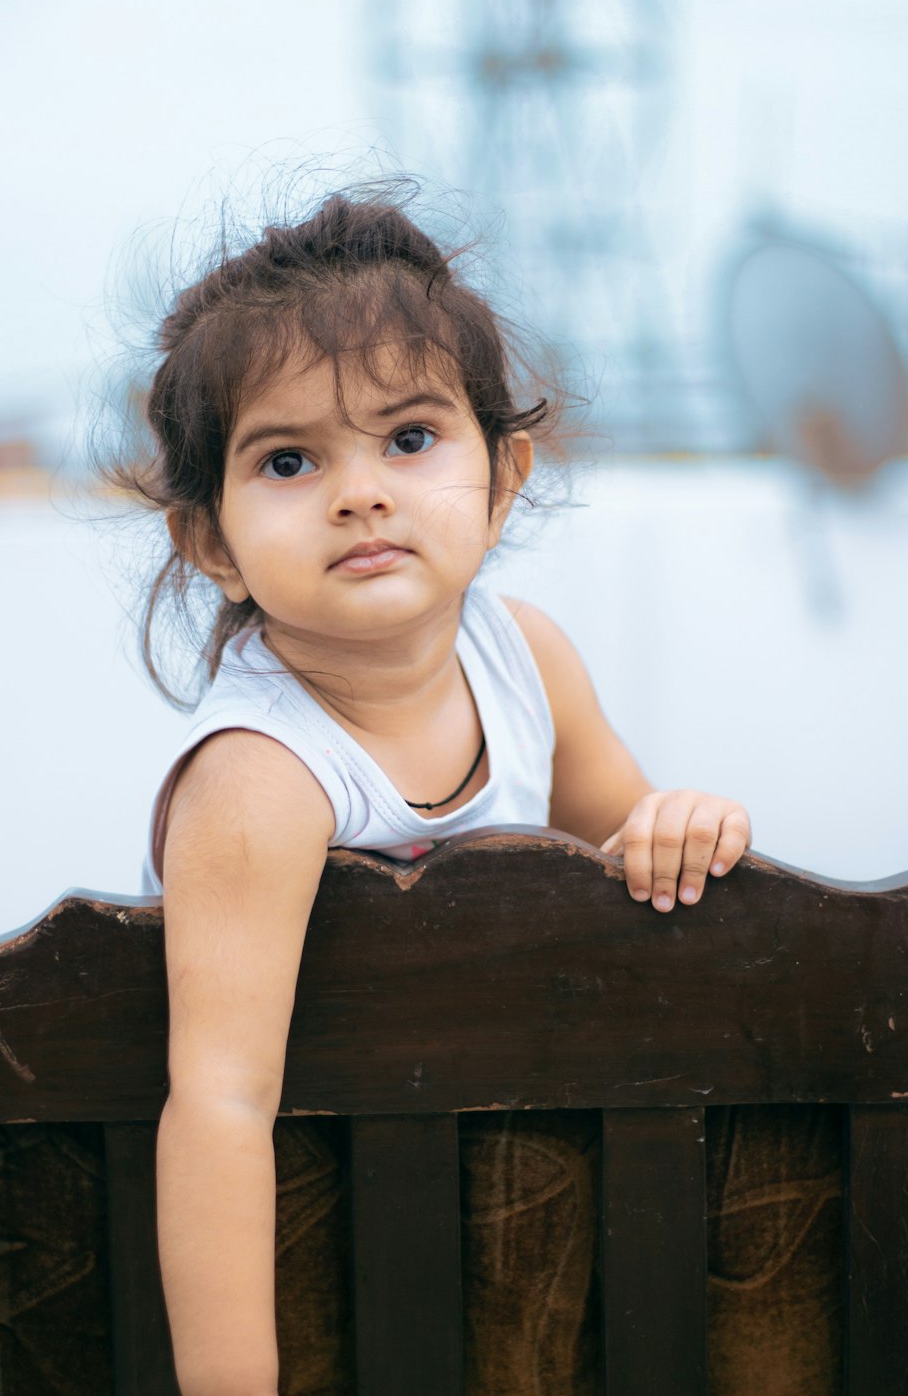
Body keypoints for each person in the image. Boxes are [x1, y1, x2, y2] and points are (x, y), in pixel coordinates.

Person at [123, 189, 752, 1396]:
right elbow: (219, 1106)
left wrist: (675, 828)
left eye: (409, 439)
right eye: (289, 459)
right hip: (330, 1248)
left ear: (503, 475)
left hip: (505, 1232)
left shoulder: (526, 659)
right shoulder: (259, 778)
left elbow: (627, 856)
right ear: (209, 541)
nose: (359, 492)